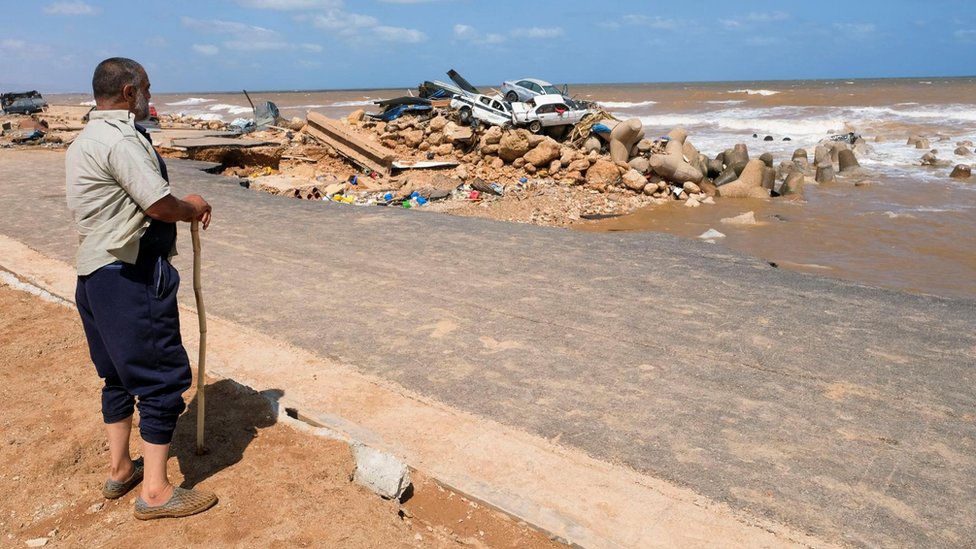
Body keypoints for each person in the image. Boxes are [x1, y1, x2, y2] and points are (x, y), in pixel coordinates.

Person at [65, 57, 217, 520]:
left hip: (93, 277)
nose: (153, 95)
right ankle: (155, 492)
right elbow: (159, 205)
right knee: (161, 378)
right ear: (130, 93)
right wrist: (193, 205)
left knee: (116, 375)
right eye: (148, 87)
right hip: (129, 276)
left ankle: (120, 468)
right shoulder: (121, 139)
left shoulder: (85, 138)